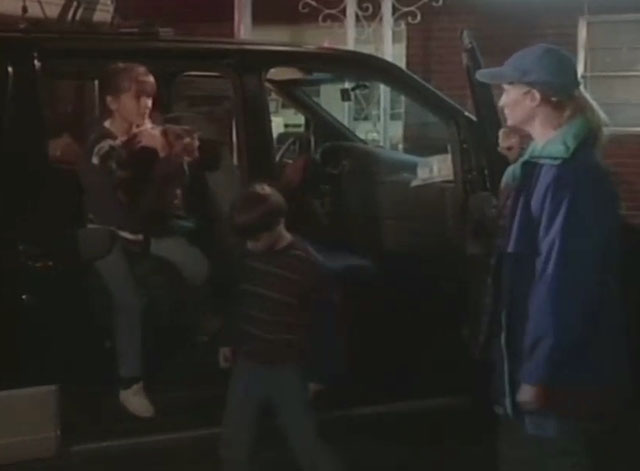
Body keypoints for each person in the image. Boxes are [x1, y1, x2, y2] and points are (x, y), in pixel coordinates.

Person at [476, 44, 635, 470]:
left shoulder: (571, 179)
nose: (502, 98)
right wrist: (517, 165)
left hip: (555, 380)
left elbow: (562, 282)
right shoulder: (544, 168)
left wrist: (539, 374)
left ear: (534, 97)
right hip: (530, 369)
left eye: (509, 87)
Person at [218, 183, 341, 471]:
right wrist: (227, 339)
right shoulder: (246, 254)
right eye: (246, 239)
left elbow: (326, 324)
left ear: (278, 223)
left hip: (288, 368)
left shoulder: (307, 266)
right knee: (234, 439)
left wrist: (318, 373)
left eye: (257, 238)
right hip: (248, 362)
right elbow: (238, 300)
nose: (250, 245)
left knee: (304, 441)